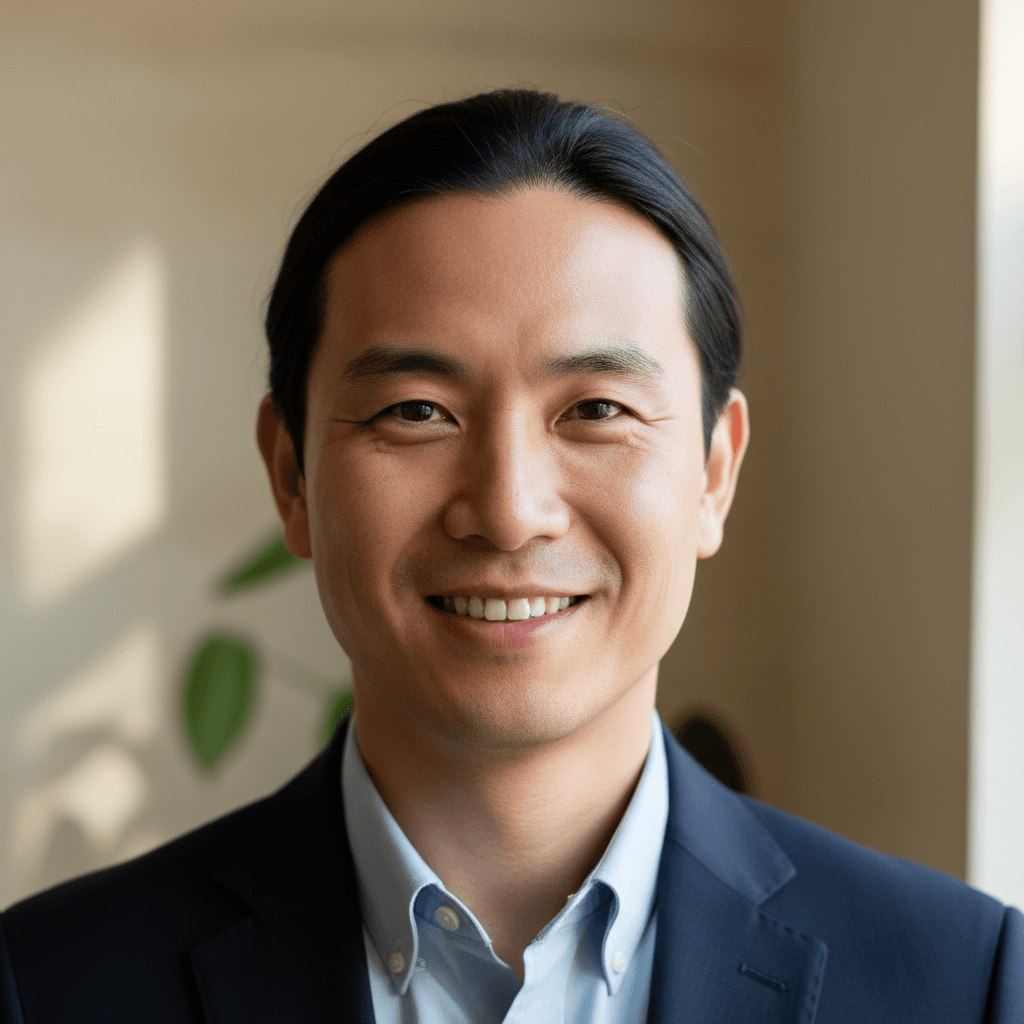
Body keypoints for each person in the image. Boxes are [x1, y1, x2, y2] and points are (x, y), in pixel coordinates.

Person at [1, 88, 1020, 1024]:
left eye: (596, 410)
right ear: (291, 474)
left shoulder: (960, 981)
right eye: (416, 411)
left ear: (714, 470)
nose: (508, 510)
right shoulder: (47, 985)